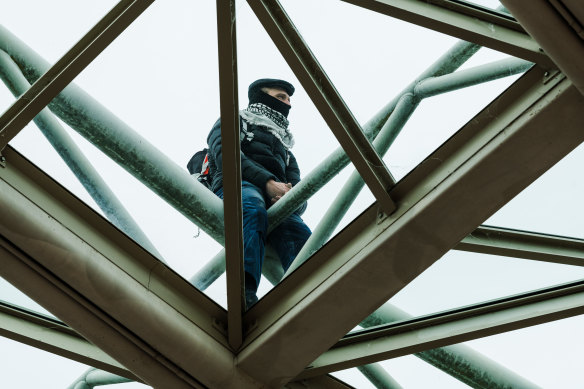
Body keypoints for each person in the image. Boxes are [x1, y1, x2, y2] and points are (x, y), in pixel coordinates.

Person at [207, 78, 311, 308]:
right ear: (261, 96)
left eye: (289, 99)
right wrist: (268, 183)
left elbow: (302, 190)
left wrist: (289, 198)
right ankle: (243, 293)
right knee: (253, 209)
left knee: (300, 234)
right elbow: (226, 154)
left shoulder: (285, 149)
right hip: (238, 185)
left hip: (276, 201)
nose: (287, 104)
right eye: (280, 97)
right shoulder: (236, 120)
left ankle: (313, 297)